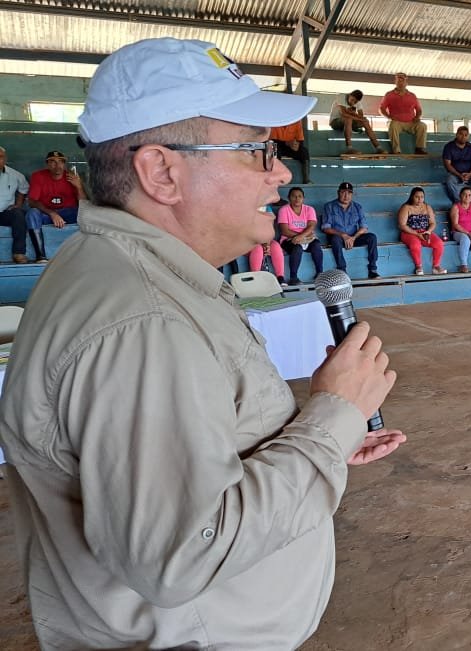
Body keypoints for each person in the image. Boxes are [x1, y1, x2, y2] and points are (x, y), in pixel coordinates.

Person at [0, 37, 404, 649]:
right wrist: (331, 418)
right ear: (162, 171)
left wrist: (322, 440)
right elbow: (181, 553)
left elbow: (192, 446)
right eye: (256, 151)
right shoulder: (144, 321)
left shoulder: (138, 272)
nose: (281, 171)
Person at [26, 150, 86, 262]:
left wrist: (79, 187)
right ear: (47, 164)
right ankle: (40, 256)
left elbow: (84, 204)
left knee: (86, 213)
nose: (57, 165)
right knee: (32, 214)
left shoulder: (71, 177)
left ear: (64, 164)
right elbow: (32, 202)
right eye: (53, 162)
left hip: (68, 213)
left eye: (61, 162)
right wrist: (52, 214)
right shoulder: (38, 176)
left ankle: (85, 254)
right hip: (47, 214)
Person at [322, 181, 379, 279]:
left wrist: (353, 237)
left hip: (353, 238)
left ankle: (372, 270)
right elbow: (326, 228)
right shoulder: (329, 206)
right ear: (338, 192)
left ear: (352, 194)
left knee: (372, 237)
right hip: (338, 238)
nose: (346, 195)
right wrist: (343, 235)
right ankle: (342, 270)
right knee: (335, 239)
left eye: (349, 193)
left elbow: (364, 227)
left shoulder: (357, 207)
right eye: (343, 192)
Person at [277, 186, 324, 285]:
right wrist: (300, 237)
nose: (297, 199)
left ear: (303, 198)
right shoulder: (284, 210)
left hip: (306, 238)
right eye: (294, 196)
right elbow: (285, 230)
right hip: (288, 239)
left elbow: (311, 225)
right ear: (289, 198)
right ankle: (293, 278)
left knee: (316, 245)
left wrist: (302, 237)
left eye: (299, 196)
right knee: (297, 248)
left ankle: (320, 273)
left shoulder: (309, 209)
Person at [397, 186, 446, 275]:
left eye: (422, 197)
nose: (420, 199)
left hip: (424, 232)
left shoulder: (427, 207)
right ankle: (418, 267)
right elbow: (402, 225)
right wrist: (416, 233)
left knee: (439, 243)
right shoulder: (406, 207)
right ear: (412, 197)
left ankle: (436, 267)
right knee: (415, 245)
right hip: (409, 233)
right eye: (417, 197)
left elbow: (432, 223)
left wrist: (428, 232)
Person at [377, 72, 428, 154]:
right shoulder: (389, 95)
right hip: (396, 122)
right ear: (395, 82)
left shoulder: (412, 96)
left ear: (406, 83)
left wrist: (417, 117)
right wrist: (388, 117)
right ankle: (396, 150)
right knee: (392, 125)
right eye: (398, 80)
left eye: (402, 80)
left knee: (422, 125)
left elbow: (419, 110)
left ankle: (419, 148)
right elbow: (381, 108)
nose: (400, 82)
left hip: (411, 122)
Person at [329, 89, 384, 154]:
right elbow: (343, 113)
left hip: (349, 123)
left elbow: (361, 116)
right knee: (348, 119)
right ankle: (349, 148)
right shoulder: (341, 96)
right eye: (352, 100)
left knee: (365, 121)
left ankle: (378, 148)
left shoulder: (357, 103)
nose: (353, 103)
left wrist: (356, 115)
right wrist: (356, 116)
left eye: (355, 102)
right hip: (335, 122)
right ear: (350, 95)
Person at [0, 145, 30, 263]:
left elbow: (24, 189)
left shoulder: (15, 175)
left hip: (5, 214)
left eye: (0, 157)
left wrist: (18, 204)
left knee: (18, 213)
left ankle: (18, 253)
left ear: (5, 159)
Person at [442, 125, 471, 205]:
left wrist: (470, 174)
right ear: (457, 134)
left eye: (466, 135)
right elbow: (447, 164)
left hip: (470, 174)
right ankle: (459, 203)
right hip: (455, 174)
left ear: (468, 136)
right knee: (449, 180)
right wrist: (459, 175)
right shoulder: (449, 147)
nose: (463, 137)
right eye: (461, 134)